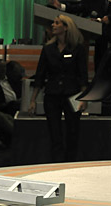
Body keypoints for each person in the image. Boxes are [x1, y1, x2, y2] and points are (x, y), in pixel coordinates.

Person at [29, 15, 88, 162]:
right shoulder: (48, 49)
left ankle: (71, 162)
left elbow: (83, 75)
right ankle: (56, 163)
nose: (53, 26)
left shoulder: (78, 48)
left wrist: (84, 97)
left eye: (57, 23)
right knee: (55, 132)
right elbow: (40, 75)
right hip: (52, 95)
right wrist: (33, 100)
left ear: (66, 27)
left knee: (73, 131)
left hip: (73, 94)